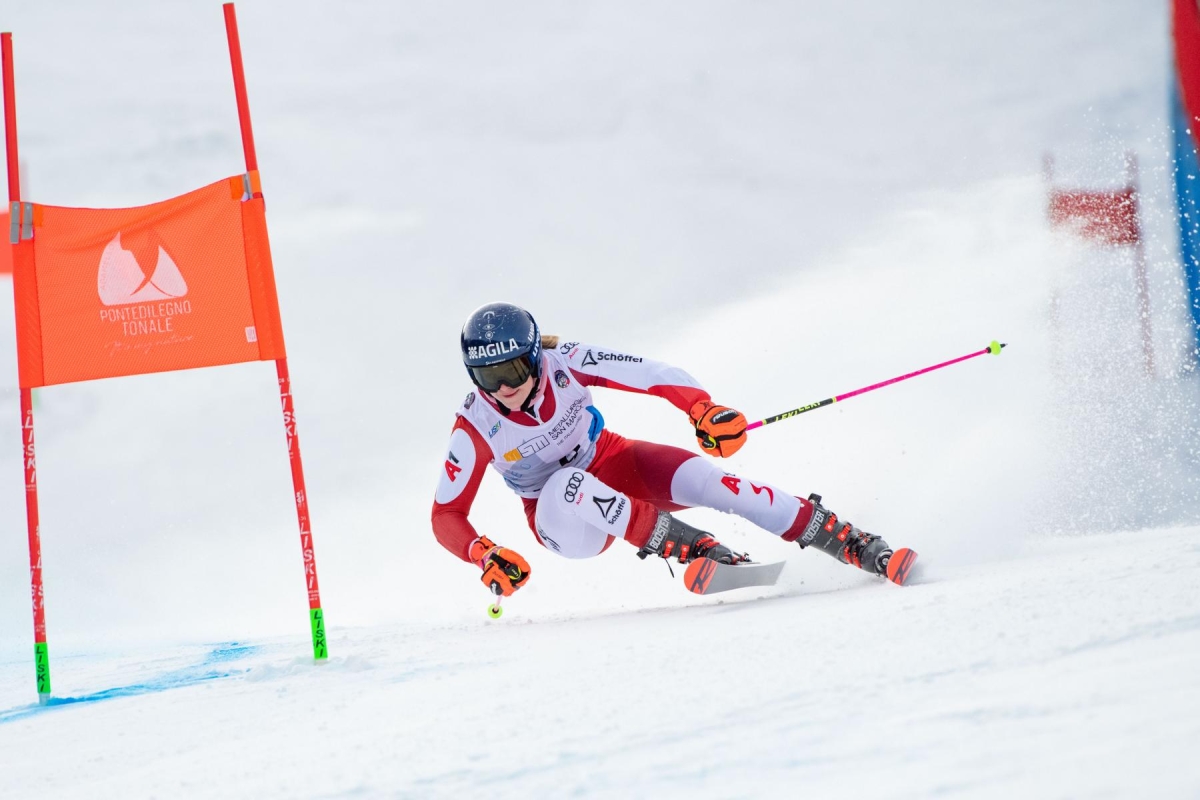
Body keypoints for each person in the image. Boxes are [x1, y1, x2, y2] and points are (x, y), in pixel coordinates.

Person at [432, 301, 898, 598]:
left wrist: (702, 410)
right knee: (567, 482)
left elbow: (651, 372)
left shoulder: (565, 362)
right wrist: (484, 554)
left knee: (712, 481)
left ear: (534, 356)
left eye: (510, 372)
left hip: (613, 461)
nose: (502, 388)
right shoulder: (475, 424)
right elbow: (445, 515)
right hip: (562, 520)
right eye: (486, 377)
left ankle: (849, 541)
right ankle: (697, 549)